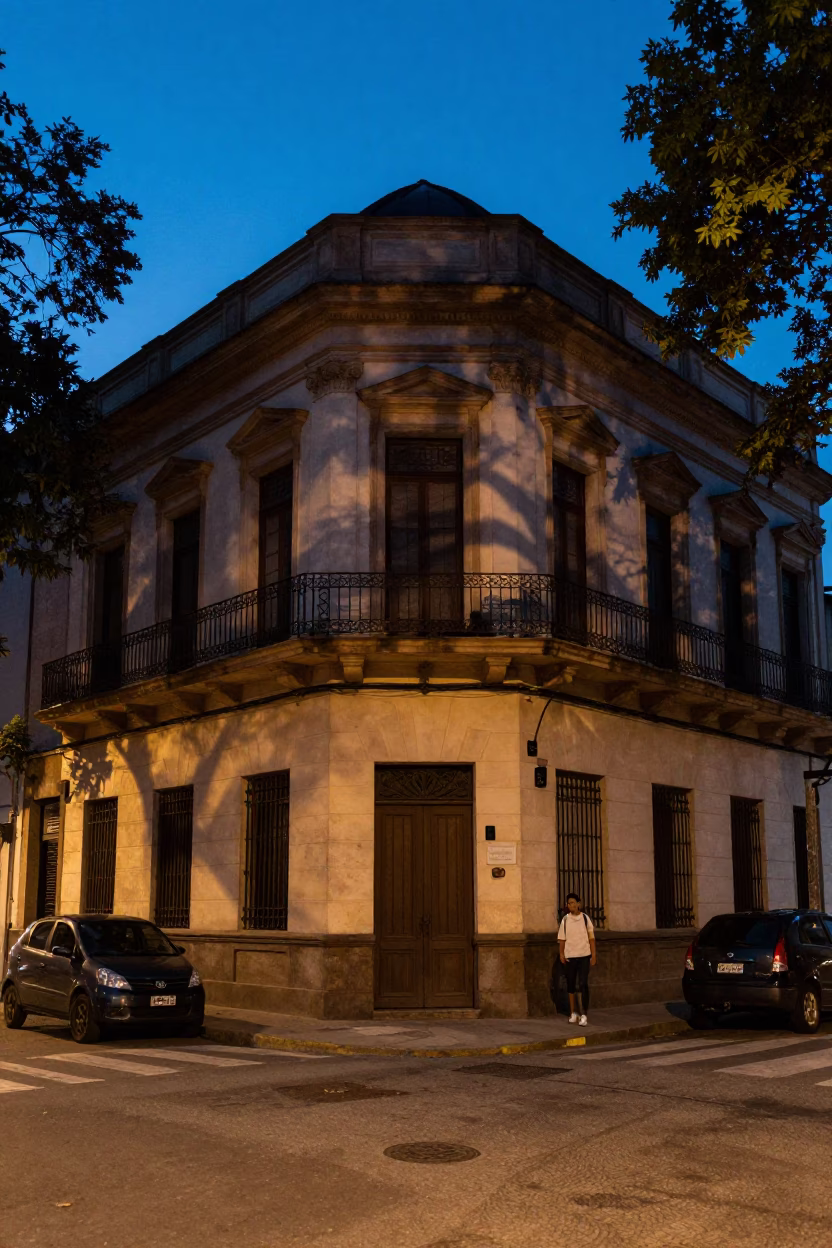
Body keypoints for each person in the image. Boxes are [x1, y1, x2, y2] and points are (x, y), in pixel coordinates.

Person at [558, 892, 596, 1026]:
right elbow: (562, 939)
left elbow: (591, 938)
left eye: (573, 902)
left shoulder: (585, 919)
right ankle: (573, 1013)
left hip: (584, 956)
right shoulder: (565, 920)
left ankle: (584, 1013)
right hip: (570, 957)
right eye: (569, 903)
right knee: (571, 985)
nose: (571, 905)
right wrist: (561, 954)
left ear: (579, 904)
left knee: (583, 984)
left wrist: (593, 955)